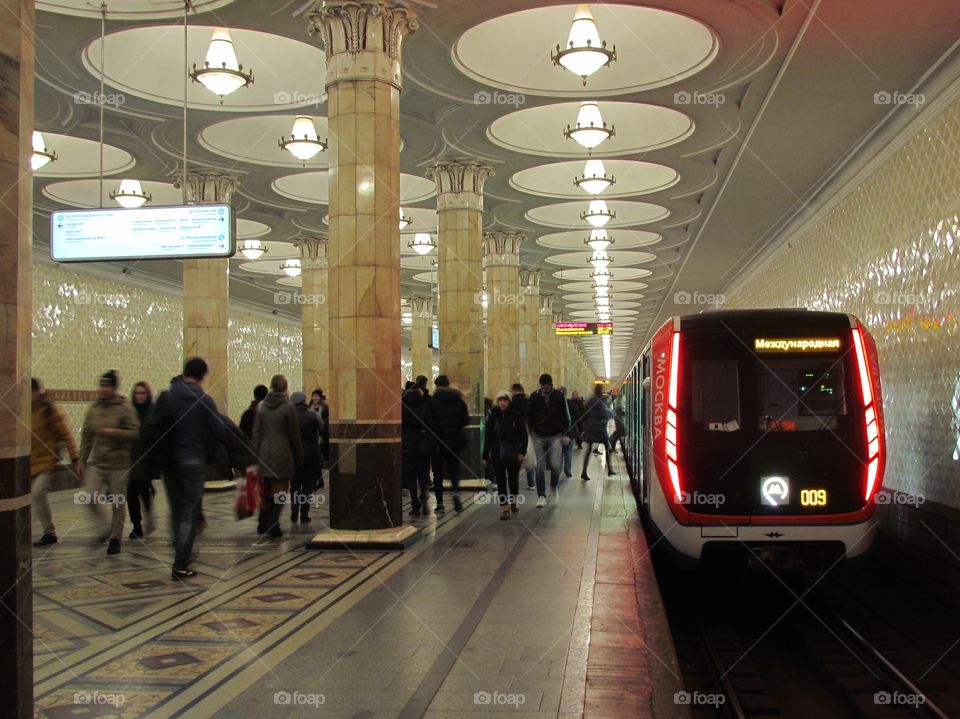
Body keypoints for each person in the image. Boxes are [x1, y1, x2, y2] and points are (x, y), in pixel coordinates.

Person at [145, 358, 227, 580]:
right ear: (202, 376)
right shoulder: (204, 399)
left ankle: (179, 555)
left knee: (176, 510)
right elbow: (219, 431)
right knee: (189, 513)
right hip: (193, 462)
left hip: (169, 463)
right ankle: (181, 562)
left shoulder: (167, 395)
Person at [79, 370, 140, 555]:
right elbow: (87, 435)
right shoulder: (94, 409)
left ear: (114, 388)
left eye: (106, 386)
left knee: (118, 502)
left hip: (118, 464)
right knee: (88, 497)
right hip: (97, 462)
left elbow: (134, 433)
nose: (103, 389)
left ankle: (115, 538)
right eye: (101, 385)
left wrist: (114, 432)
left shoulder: (125, 407)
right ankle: (105, 528)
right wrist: (81, 459)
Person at [31, 378, 80, 547]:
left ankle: (49, 533)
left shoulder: (49, 410)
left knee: (37, 493)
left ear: (37, 392)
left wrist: (75, 458)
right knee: (30, 498)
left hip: (46, 461)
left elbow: (66, 434)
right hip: (27, 462)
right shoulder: (21, 410)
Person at [252, 375, 303, 537]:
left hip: (263, 453)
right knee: (280, 490)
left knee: (265, 489)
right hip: (282, 454)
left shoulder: (261, 406)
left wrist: (255, 454)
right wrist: (299, 456)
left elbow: (257, 432)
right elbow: (294, 435)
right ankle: (273, 524)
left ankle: (262, 523)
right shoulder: (288, 408)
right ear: (285, 387)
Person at [526, 373, 570, 508]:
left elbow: (566, 416)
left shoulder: (559, 396)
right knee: (539, 467)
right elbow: (529, 414)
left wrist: (566, 434)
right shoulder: (534, 396)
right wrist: (529, 430)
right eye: (542, 388)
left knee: (555, 465)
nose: (544, 390)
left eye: (546, 388)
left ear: (551, 385)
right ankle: (541, 496)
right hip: (538, 435)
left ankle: (554, 488)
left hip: (555, 435)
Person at [427, 375, 469, 513]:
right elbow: (465, 420)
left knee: (438, 474)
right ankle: (455, 492)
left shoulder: (432, 402)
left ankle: (440, 503)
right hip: (454, 441)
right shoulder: (458, 401)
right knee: (454, 470)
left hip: (438, 443)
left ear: (437, 386)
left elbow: (429, 423)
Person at [482, 391, 528, 520]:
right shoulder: (493, 416)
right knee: (501, 481)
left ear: (509, 401)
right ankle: (504, 507)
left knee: (513, 480)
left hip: (513, 452)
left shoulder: (516, 416)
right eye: (500, 400)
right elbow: (488, 437)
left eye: (505, 400)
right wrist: (485, 455)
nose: (503, 403)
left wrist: (521, 452)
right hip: (497, 453)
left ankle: (513, 500)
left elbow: (523, 436)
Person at [127, 381, 158, 539]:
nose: (139, 396)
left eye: (142, 393)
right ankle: (136, 525)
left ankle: (149, 513)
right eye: (137, 393)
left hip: (146, 458)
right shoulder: (129, 411)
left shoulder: (152, 411)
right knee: (131, 493)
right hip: (130, 457)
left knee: (142, 488)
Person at [401, 382, 432, 517]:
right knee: (422, 474)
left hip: (407, 445)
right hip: (422, 444)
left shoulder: (402, 407)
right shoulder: (424, 406)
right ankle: (424, 497)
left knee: (411, 477)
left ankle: (415, 506)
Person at [291, 391, 323, 523]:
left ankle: (294, 511)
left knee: (295, 485)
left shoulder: (290, 416)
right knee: (307, 486)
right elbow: (322, 430)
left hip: (294, 456)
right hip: (310, 456)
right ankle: (304, 514)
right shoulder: (313, 415)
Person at [581, 385, 616, 481]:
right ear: (600, 391)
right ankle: (610, 469)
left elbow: (583, 414)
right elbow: (605, 413)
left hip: (590, 429)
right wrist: (612, 413)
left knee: (588, 451)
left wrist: (585, 426)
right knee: (607, 446)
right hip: (600, 429)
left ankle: (584, 471)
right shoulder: (601, 401)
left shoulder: (589, 401)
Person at [510, 383, 536, 490]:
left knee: (514, 457)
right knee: (529, 457)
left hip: (515, 432)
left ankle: (513, 482)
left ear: (514, 390)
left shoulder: (511, 402)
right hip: (528, 431)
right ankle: (531, 483)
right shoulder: (529, 400)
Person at [309, 388, 329, 488]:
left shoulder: (325, 408)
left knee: (317, 459)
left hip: (320, 436)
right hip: (312, 437)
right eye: (313, 396)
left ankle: (317, 481)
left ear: (320, 397)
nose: (314, 398)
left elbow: (325, 424)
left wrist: (322, 436)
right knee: (315, 460)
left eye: (316, 396)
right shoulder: (310, 407)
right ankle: (318, 481)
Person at [558, 386, 576, 478]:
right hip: (570, 432)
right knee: (568, 452)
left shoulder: (554, 404)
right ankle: (568, 470)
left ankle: (558, 471)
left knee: (559, 453)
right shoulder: (571, 403)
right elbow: (576, 418)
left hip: (558, 434)